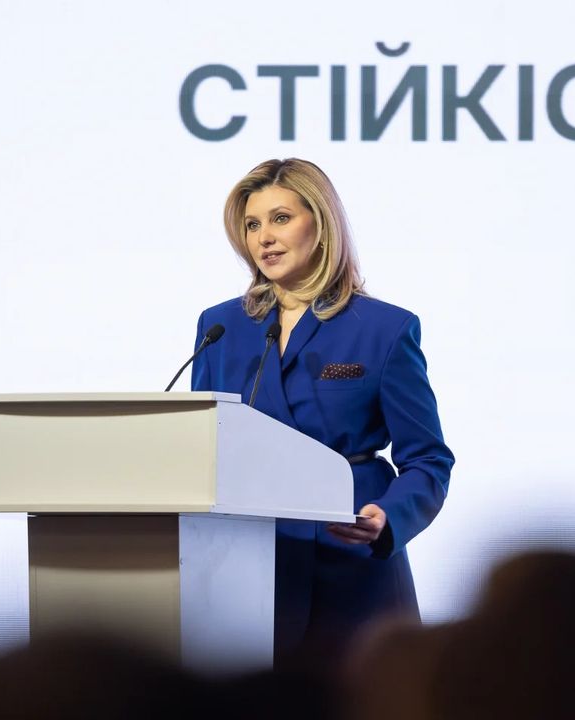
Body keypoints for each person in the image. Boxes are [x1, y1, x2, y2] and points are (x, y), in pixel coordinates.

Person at [191, 158, 454, 660]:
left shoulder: (383, 329)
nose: (265, 237)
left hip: (350, 559)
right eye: (252, 225)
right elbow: (199, 446)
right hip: (247, 565)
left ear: (322, 223)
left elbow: (428, 460)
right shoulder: (220, 327)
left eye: (281, 218)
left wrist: (389, 517)